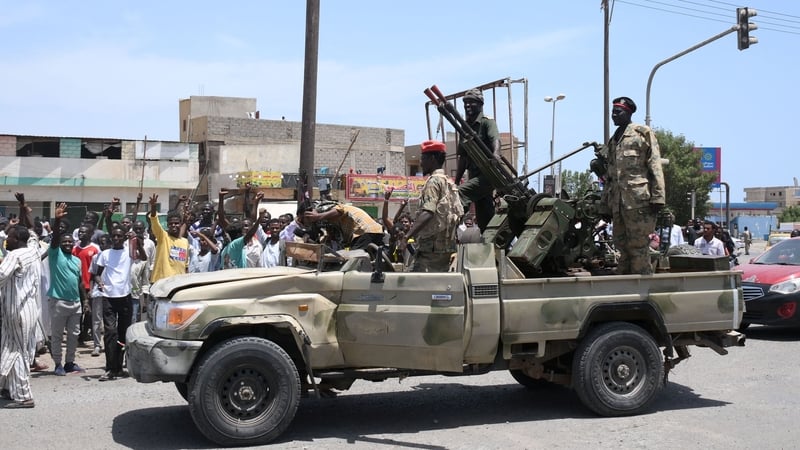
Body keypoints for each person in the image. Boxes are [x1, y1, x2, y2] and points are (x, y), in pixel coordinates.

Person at [600, 96, 665, 275]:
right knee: (622, 248)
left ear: (628, 113)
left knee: (638, 248)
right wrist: (605, 205)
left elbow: (655, 164)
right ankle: (625, 288)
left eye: (617, 112)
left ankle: (642, 289)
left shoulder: (642, 133)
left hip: (639, 202)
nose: (613, 115)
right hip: (618, 204)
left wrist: (658, 196)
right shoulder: (613, 141)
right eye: (612, 112)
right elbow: (611, 176)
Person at [94, 227, 146, 381]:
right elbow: (97, 274)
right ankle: (110, 368)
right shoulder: (105, 254)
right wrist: (100, 282)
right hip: (108, 297)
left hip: (125, 297)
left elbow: (143, 257)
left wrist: (137, 242)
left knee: (123, 333)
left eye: (119, 236)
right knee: (110, 332)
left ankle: (118, 367)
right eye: (114, 236)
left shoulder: (129, 252)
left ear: (124, 238)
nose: (116, 238)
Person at [404, 140, 464, 272]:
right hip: (445, 248)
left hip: (430, 250)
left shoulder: (433, 182)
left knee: (413, 285)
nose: (421, 162)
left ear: (432, 159)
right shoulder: (448, 182)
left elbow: (428, 212)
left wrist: (406, 236)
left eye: (423, 158)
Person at [0, 224, 42, 408]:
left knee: (16, 351)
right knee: (13, 348)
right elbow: (32, 235)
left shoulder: (15, 255)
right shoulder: (33, 251)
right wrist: (24, 207)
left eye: (9, 236)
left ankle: (24, 396)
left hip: (16, 311)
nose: (5, 239)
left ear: (17, 239)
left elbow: (1, 275)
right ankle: (12, 389)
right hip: (30, 310)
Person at [454, 88, 501, 233]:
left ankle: (451, 226)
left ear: (480, 104)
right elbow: (463, 157)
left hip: (488, 174)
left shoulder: (487, 122)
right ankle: (489, 242)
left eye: (471, 103)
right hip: (474, 176)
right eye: (465, 103)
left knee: (459, 194)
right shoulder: (465, 127)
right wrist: (456, 181)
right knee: (484, 217)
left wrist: (496, 154)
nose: (467, 106)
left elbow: (496, 140)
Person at [48, 203, 87, 376]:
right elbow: (56, 238)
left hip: (75, 303)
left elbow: (79, 282)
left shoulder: (77, 260)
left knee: (74, 335)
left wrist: (85, 300)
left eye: (70, 241)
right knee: (57, 336)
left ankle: (70, 363)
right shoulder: (55, 254)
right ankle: (58, 364)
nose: (67, 244)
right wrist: (57, 220)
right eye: (65, 241)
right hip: (58, 302)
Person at [303, 203, 384, 251]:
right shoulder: (343, 224)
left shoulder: (339, 208)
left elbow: (340, 210)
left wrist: (318, 216)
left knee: (354, 260)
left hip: (365, 231)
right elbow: (346, 244)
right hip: (375, 231)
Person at [148, 194, 189, 283]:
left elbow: (185, 266)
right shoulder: (162, 237)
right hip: (160, 283)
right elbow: (154, 221)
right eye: (171, 224)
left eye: (176, 223)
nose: (173, 225)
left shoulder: (185, 242)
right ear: (167, 225)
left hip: (178, 284)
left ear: (180, 224)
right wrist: (153, 207)